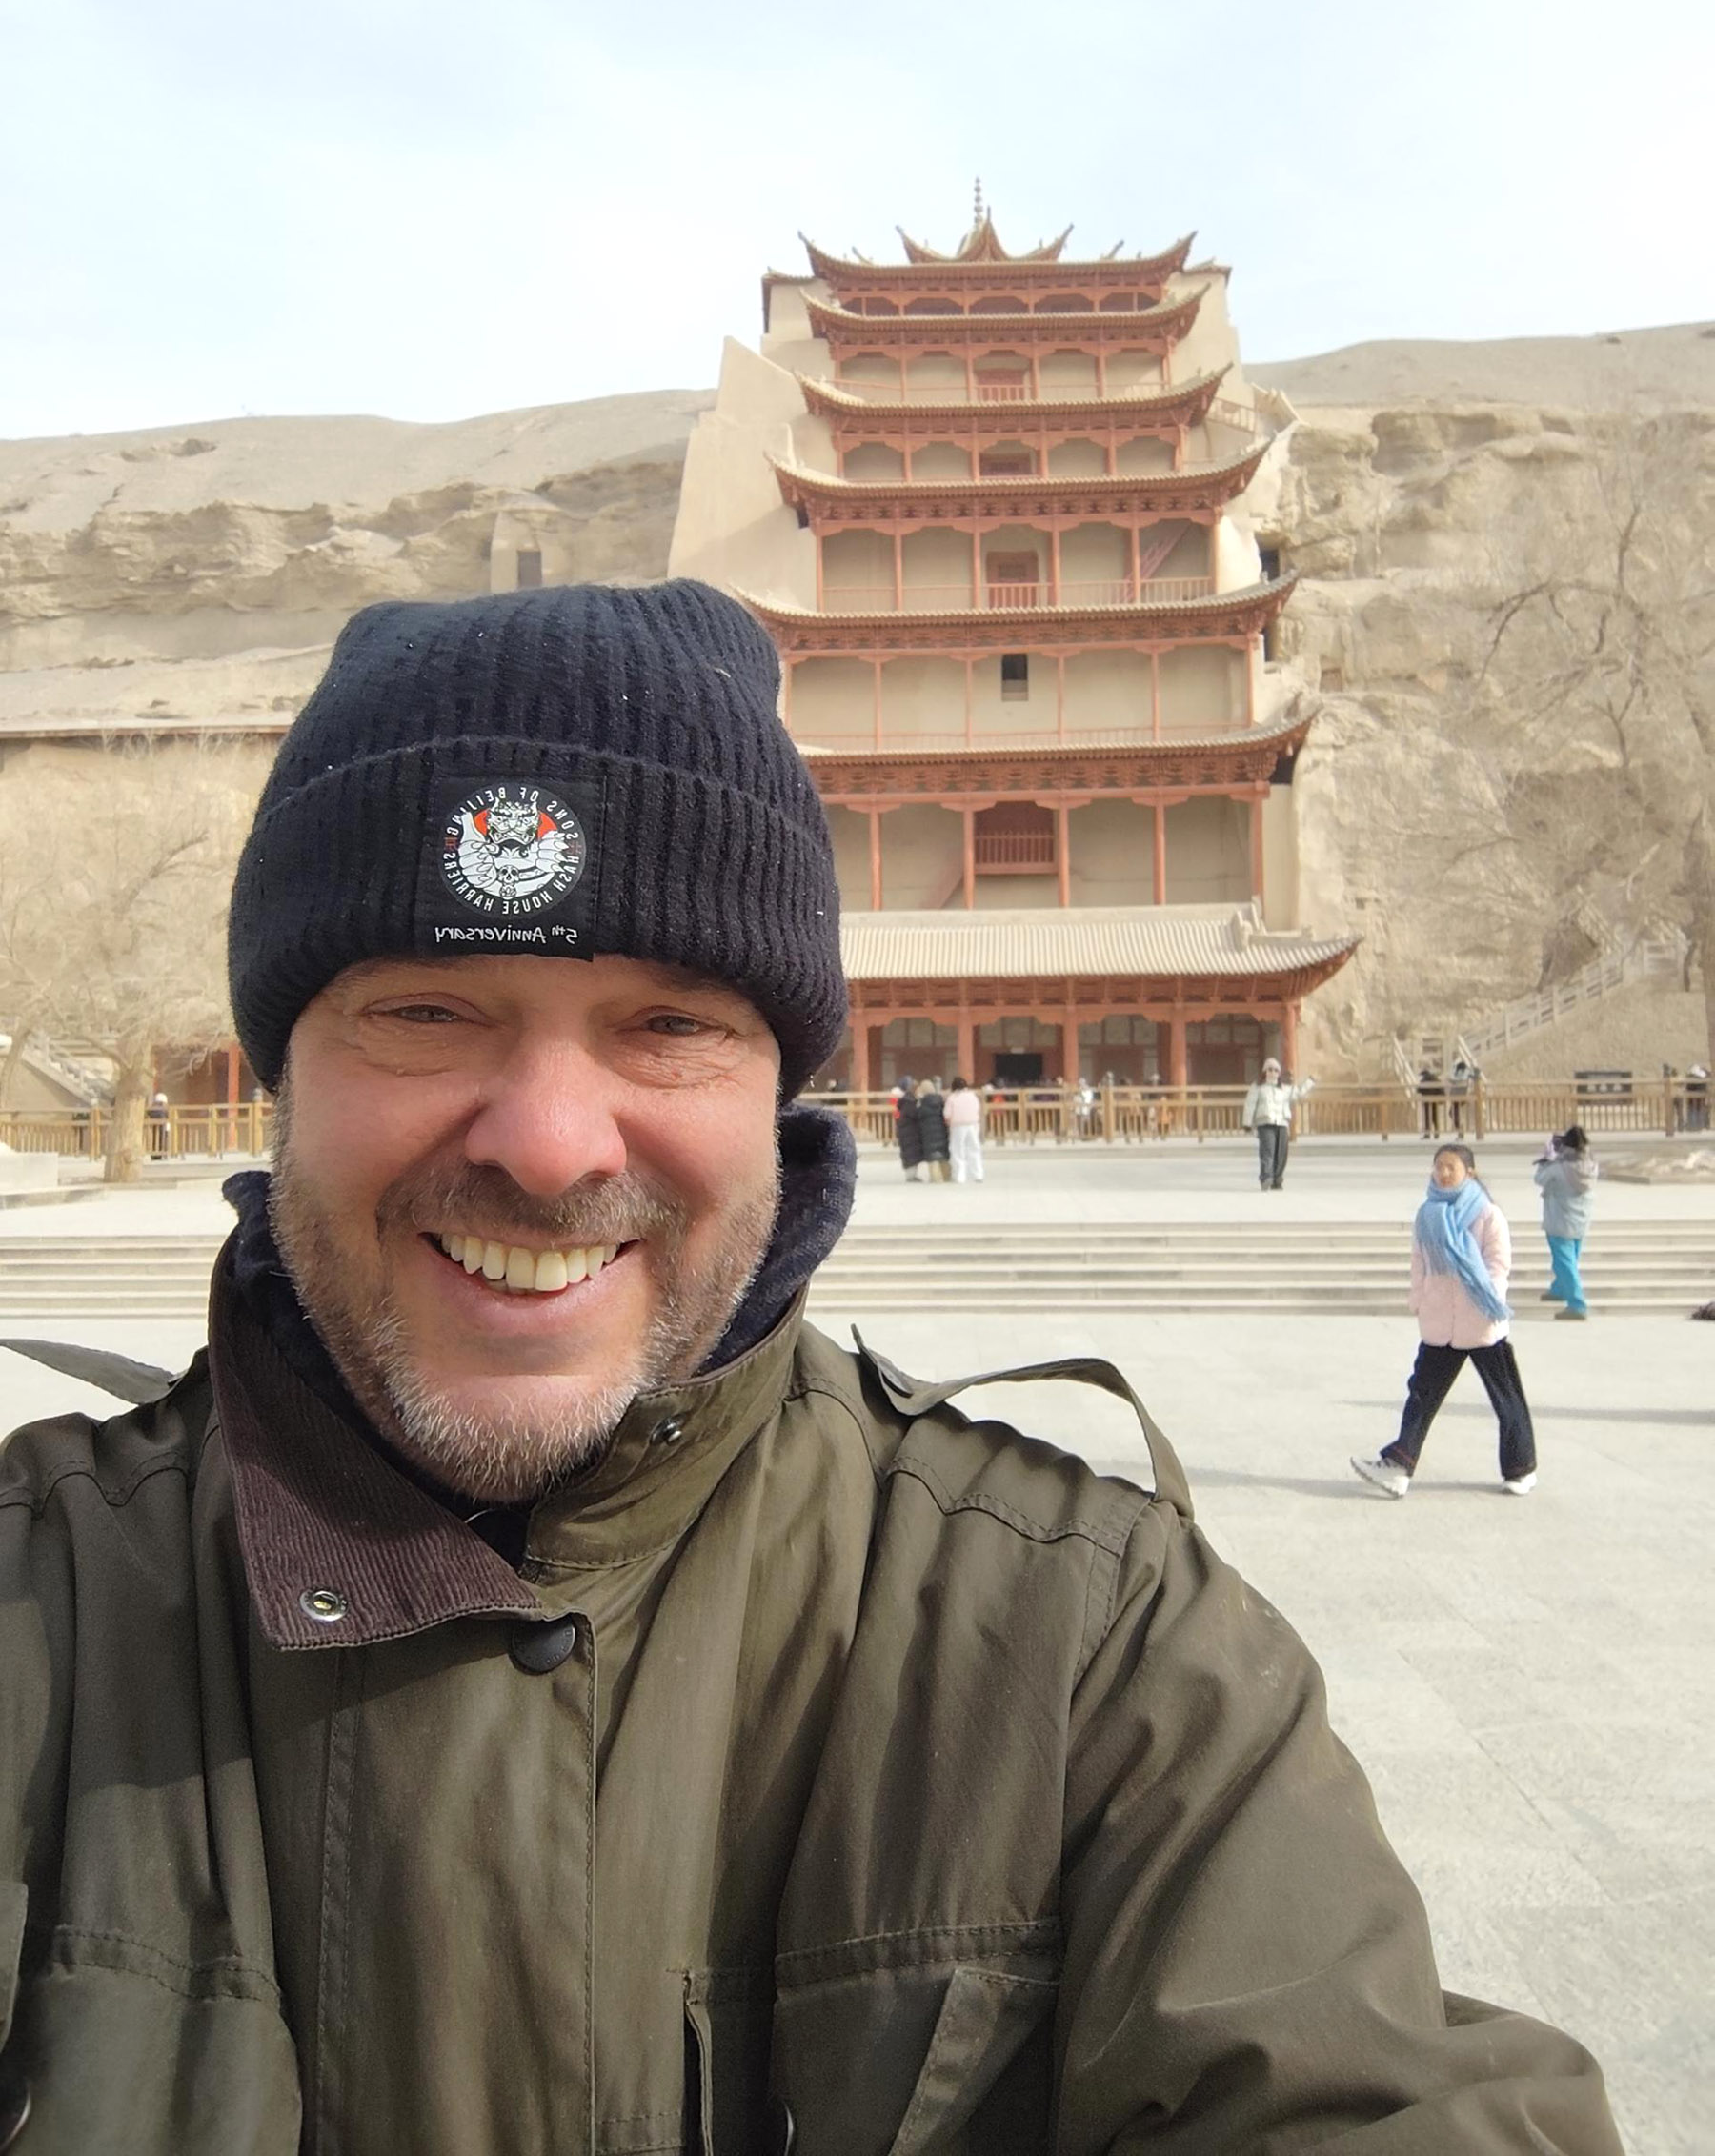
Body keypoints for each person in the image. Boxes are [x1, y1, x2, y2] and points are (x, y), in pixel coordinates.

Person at [0, 583, 1622, 2152]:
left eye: (669, 1024)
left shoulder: (1090, 1649)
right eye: (425, 1011)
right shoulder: (38, 1614)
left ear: (781, 1094)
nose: (550, 1146)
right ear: (279, 1073)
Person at [1352, 1141, 1539, 1500]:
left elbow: (1498, 1265)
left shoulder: (1487, 1214)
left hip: (1481, 1322)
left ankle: (1521, 1469)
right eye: (1439, 1166)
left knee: (1507, 1399)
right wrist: (1419, 1300)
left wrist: (1488, 1300)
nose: (1444, 1172)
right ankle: (1399, 1467)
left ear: (1470, 1172)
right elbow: (1419, 1263)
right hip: (1440, 1323)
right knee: (1421, 1396)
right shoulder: (1427, 1214)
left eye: (1451, 1166)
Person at [1535, 1124, 1598, 1320]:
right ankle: (1560, 1288)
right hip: (1581, 1219)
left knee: (1565, 1262)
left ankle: (1577, 1305)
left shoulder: (1559, 1168)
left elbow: (1539, 1179)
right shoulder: (1591, 1165)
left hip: (1560, 1219)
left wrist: (1547, 1159)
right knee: (1570, 1259)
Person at [1241, 1054, 1316, 1189]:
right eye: (1269, 1069)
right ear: (1265, 1071)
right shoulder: (1257, 1087)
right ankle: (1266, 1178)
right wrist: (1247, 1123)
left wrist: (1310, 1082)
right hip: (1265, 1123)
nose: (1272, 1073)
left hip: (1282, 1123)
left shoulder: (1284, 1089)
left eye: (1275, 1070)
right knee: (1268, 1152)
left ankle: (1277, 1180)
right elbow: (1250, 1105)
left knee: (1281, 1154)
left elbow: (1298, 1093)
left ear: (1279, 1073)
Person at [944, 1072, 984, 1182]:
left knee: (958, 1150)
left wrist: (948, 1122)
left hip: (958, 1126)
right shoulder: (972, 1096)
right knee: (974, 1149)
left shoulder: (952, 1098)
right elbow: (977, 1109)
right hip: (973, 1125)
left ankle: (959, 1176)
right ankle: (978, 1174)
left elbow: (947, 1114)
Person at [915, 1076, 950, 1181]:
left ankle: (936, 1178)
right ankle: (947, 1176)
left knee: (933, 1157)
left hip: (928, 1132)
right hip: (941, 1131)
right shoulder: (940, 1101)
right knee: (943, 1155)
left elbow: (918, 1115)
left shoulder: (923, 1103)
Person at [894, 1076, 925, 1180]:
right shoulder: (909, 1102)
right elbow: (914, 1114)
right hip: (909, 1131)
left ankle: (912, 1174)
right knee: (911, 1153)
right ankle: (911, 1175)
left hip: (906, 1130)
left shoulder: (906, 1100)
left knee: (909, 1152)